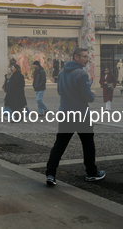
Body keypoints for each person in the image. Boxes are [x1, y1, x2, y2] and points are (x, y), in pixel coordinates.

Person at [45, 47, 105, 187]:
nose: (86, 59)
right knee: (88, 144)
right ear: (76, 57)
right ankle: (91, 173)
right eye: (84, 56)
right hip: (81, 114)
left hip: (65, 113)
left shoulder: (61, 72)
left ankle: (50, 173)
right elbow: (87, 97)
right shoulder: (81, 74)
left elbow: (60, 91)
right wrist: (93, 94)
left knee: (59, 145)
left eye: (87, 57)